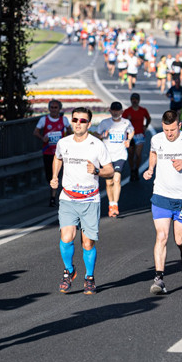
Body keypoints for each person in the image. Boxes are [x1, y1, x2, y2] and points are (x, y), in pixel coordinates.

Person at [143, 110, 182, 294]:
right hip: (161, 196)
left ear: (179, 125)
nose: (169, 134)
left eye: (172, 129)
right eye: (166, 130)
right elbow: (153, 152)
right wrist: (150, 168)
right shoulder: (157, 139)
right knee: (161, 236)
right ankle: (159, 279)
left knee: (180, 239)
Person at [51, 107, 113, 295]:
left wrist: (96, 171)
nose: (78, 123)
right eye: (75, 119)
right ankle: (69, 271)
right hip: (68, 197)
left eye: (83, 120)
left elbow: (109, 170)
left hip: (90, 200)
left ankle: (89, 277)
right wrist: (55, 175)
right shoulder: (63, 142)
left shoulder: (97, 145)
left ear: (89, 123)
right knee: (66, 237)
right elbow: (57, 158)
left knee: (88, 243)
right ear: (71, 121)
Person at [97, 102, 134, 218]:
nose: (116, 112)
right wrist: (103, 135)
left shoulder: (126, 123)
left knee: (117, 179)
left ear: (121, 111)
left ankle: (115, 205)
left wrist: (128, 140)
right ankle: (110, 203)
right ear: (110, 111)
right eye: (113, 110)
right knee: (109, 182)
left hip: (120, 155)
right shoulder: (105, 123)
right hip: (107, 157)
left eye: (118, 110)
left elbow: (131, 131)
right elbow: (97, 135)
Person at [33, 99, 72, 207]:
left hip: (62, 153)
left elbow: (70, 132)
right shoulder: (44, 120)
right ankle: (54, 193)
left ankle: (54, 198)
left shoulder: (63, 120)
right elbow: (35, 132)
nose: (54, 110)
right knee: (50, 176)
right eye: (52, 108)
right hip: (48, 152)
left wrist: (68, 139)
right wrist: (42, 138)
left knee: (62, 175)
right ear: (49, 109)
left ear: (59, 109)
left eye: (56, 108)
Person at [122, 93, 152, 181]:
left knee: (138, 155)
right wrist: (128, 120)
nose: (134, 101)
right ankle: (132, 170)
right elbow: (122, 122)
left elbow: (148, 118)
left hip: (140, 134)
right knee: (131, 154)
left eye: (136, 99)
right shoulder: (127, 111)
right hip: (130, 135)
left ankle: (136, 170)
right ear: (131, 100)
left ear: (139, 100)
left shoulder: (143, 110)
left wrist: (146, 126)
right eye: (133, 99)